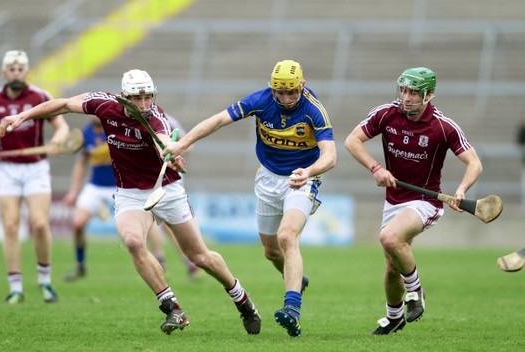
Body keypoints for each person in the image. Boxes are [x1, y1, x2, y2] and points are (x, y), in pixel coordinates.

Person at [0, 69, 261, 335]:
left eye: (149, 97)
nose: (145, 104)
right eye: (139, 98)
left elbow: (162, 138)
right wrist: (23, 115)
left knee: (199, 256)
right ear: (124, 97)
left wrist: (171, 151)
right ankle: (173, 308)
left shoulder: (156, 118)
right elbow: (64, 104)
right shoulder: (104, 104)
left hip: (166, 189)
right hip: (129, 192)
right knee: (134, 241)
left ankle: (241, 298)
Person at [163, 59, 337, 337]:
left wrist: (310, 171)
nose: (286, 98)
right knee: (270, 251)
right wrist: (182, 144)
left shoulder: (313, 110)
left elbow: (330, 156)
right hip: (267, 178)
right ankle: (294, 277)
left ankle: (292, 308)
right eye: (280, 92)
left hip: (301, 178)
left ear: (301, 86)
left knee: (287, 236)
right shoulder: (261, 100)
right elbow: (219, 120)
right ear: (272, 88)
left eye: (292, 92)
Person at [344, 67, 483, 335]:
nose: (406, 98)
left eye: (414, 93)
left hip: (425, 201)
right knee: (391, 266)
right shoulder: (387, 114)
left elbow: (474, 163)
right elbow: (352, 141)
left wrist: (463, 189)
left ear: (429, 95)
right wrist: (376, 168)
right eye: (404, 90)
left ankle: (416, 292)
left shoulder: (443, 127)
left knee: (389, 238)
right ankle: (394, 317)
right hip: (394, 200)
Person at [0, 50, 70, 304]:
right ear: (4, 73)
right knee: (10, 226)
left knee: (39, 223)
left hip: (36, 168)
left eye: (20, 69)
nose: (16, 73)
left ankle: (45, 281)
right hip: (7, 168)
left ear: (26, 72)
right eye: (11, 69)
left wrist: (58, 142)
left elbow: (61, 127)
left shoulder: (40, 96)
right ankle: (15, 286)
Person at [62, 116, 199, 282]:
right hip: (96, 186)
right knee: (78, 223)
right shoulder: (87, 133)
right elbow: (82, 161)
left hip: (124, 185)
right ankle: (80, 265)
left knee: (152, 224)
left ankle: (160, 259)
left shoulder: (118, 127)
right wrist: (73, 191)